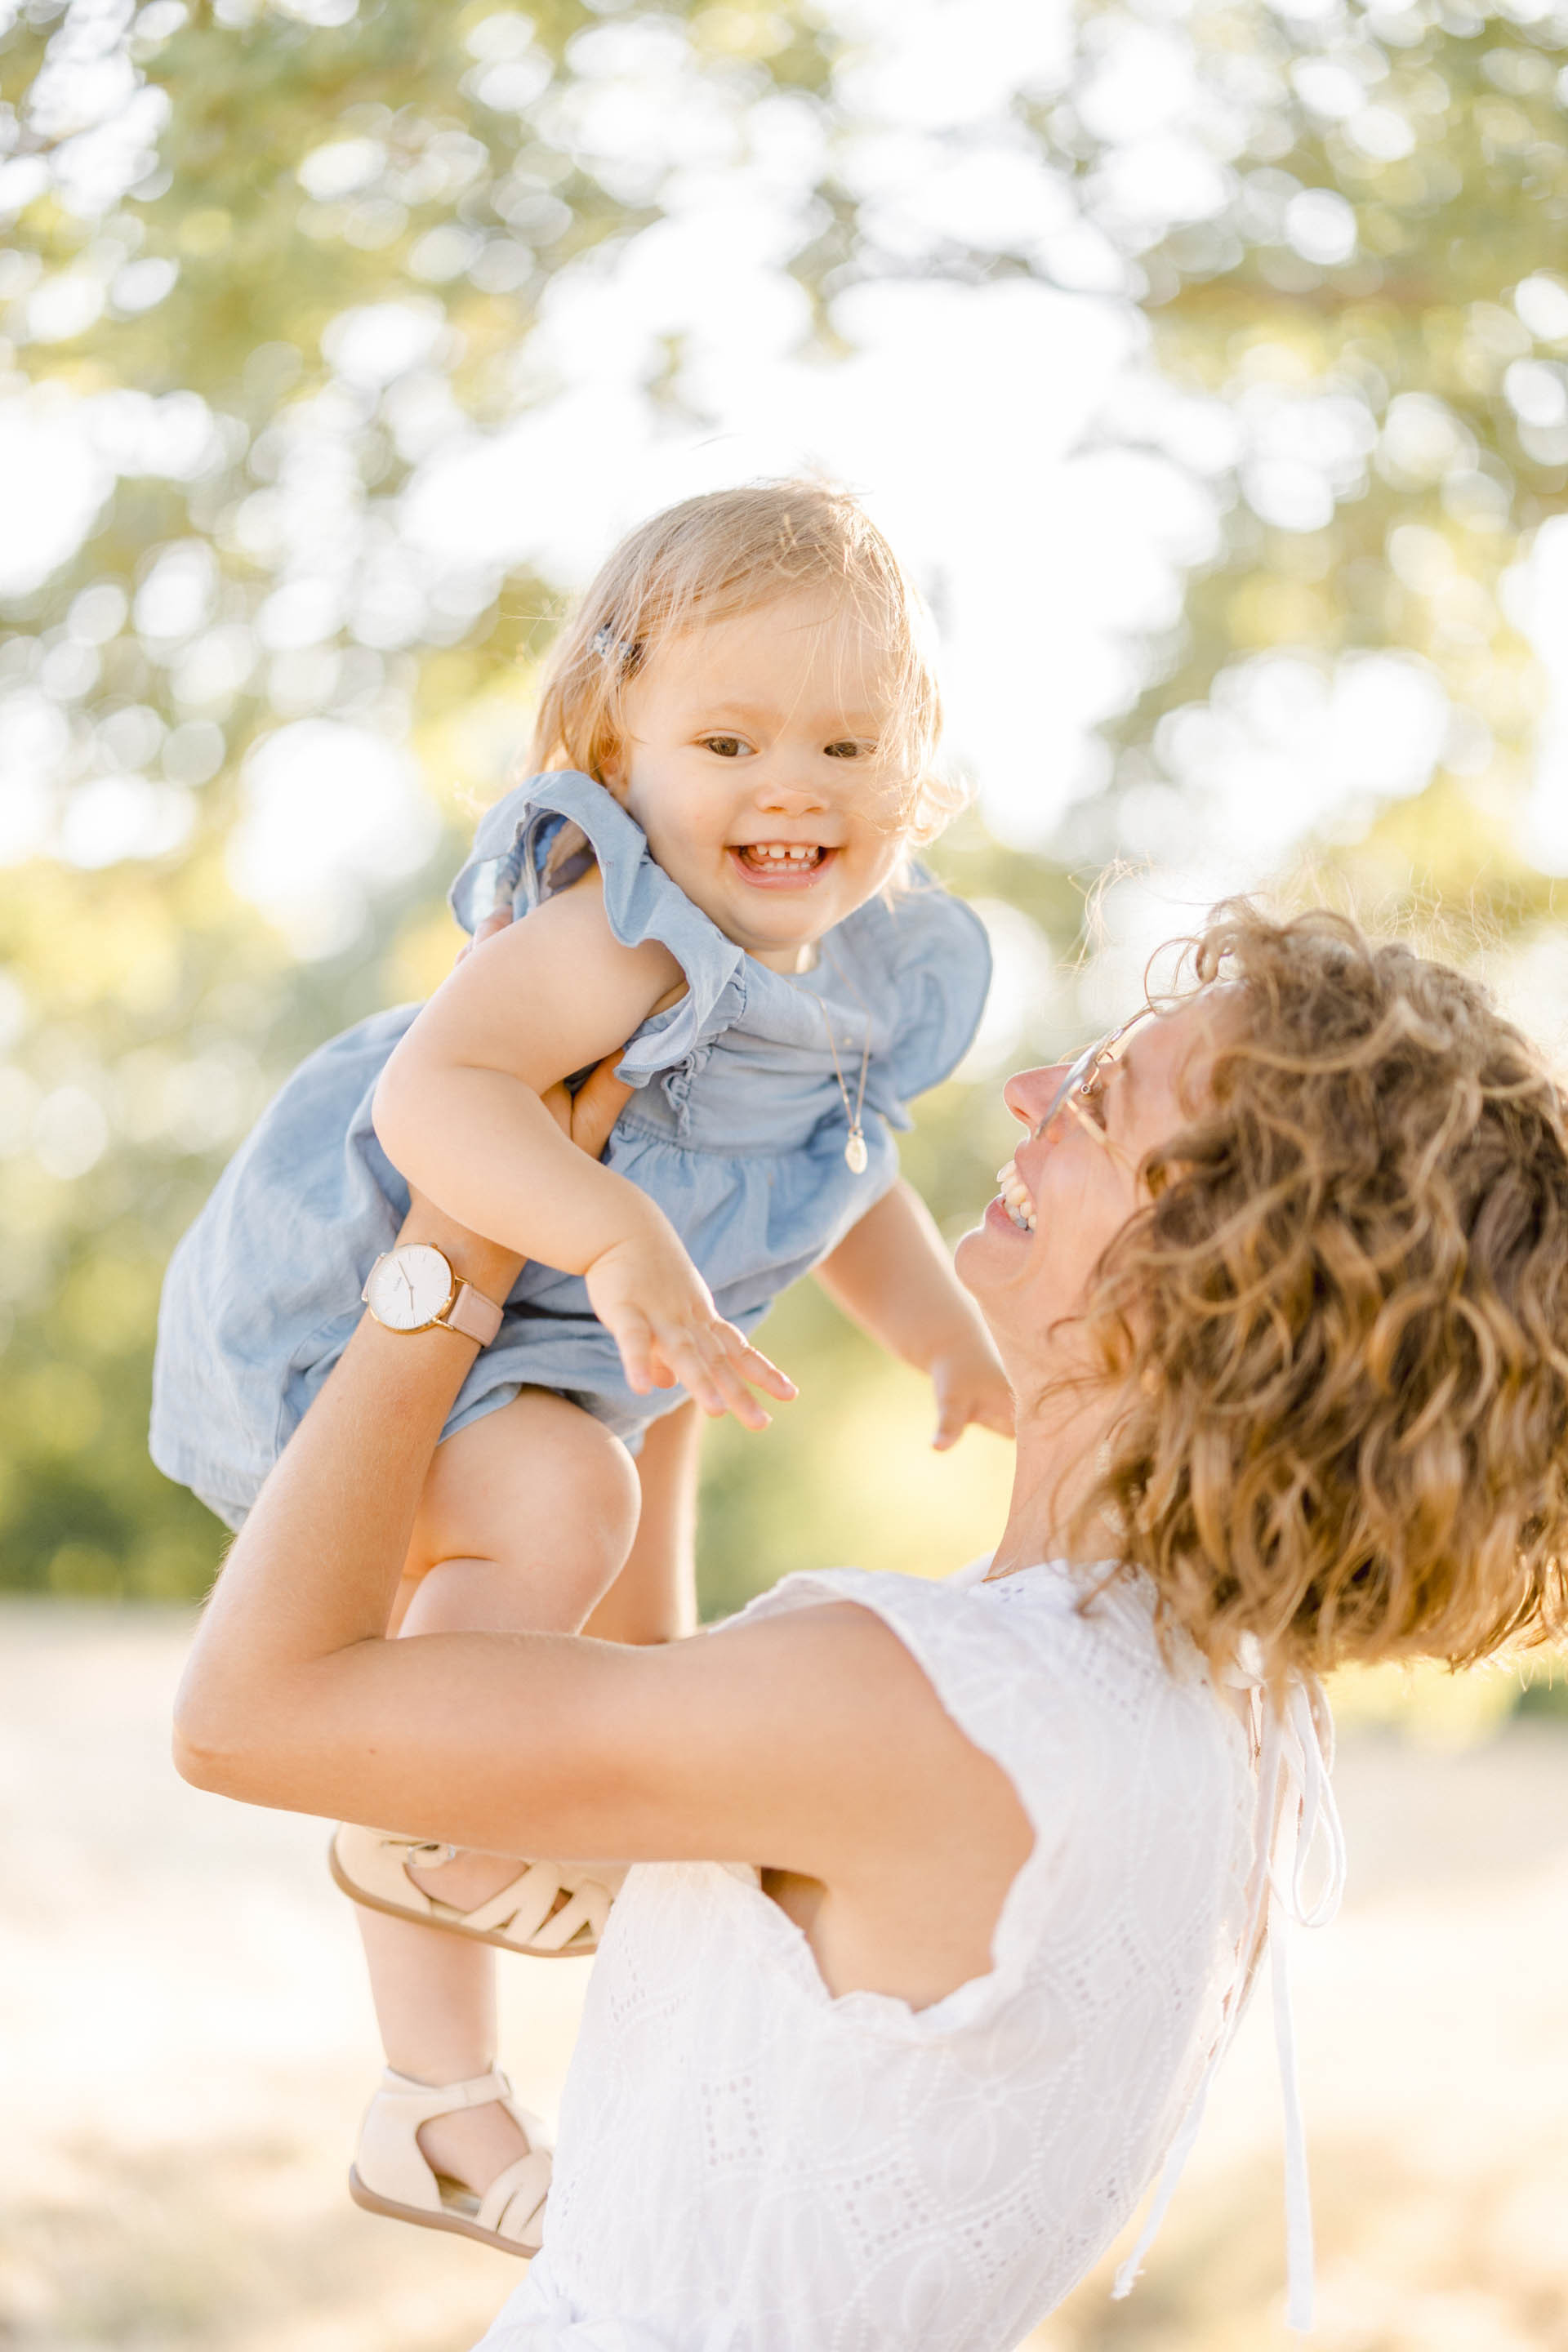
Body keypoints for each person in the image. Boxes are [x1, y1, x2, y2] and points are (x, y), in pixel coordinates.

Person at [173, 906, 1568, 2350]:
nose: (1031, 1093)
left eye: (1097, 1099)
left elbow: (251, 1716)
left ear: (1226, 1279)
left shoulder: (924, 1704)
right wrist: (646, 1307)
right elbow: (656, 1735)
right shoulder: (1228, 1711)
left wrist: (454, 1244)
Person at [151, 481, 1012, 2239]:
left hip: (541, 1358)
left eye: (851, 742)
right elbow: (436, 1095)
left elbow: (845, 1174)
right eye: (728, 737)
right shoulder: (613, 925)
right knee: (561, 1499)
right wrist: (621, 1236)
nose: (793, 785)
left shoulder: (851, 977)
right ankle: (432, 1804)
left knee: (586, 1559)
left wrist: (953, 1342)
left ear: (915, 766)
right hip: (349, 1312)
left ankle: (436, 2107)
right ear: (618, 747)